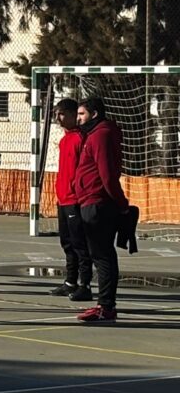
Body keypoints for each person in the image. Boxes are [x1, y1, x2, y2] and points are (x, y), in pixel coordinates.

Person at [74, 97, 129, 323]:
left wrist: (121, 203)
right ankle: (104, 304)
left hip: (98, 203)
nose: (78, 119)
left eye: (82, 114)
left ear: (94, 114)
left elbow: (107, 174)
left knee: (103, 255)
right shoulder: (95, 135)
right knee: (99, 254)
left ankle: (106, 306)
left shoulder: (101, 135)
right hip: (90, 200)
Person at [48, 98, 93, 301]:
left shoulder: (80, 138)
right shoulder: (65, 140)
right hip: (63, 199)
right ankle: (70, 281)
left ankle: (85, 284)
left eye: (62, 114)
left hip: (75, 200)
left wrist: (78, 190)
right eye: (57, 114)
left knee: (80, 244)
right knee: (67, 243)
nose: (58, 118)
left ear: (74, 115)